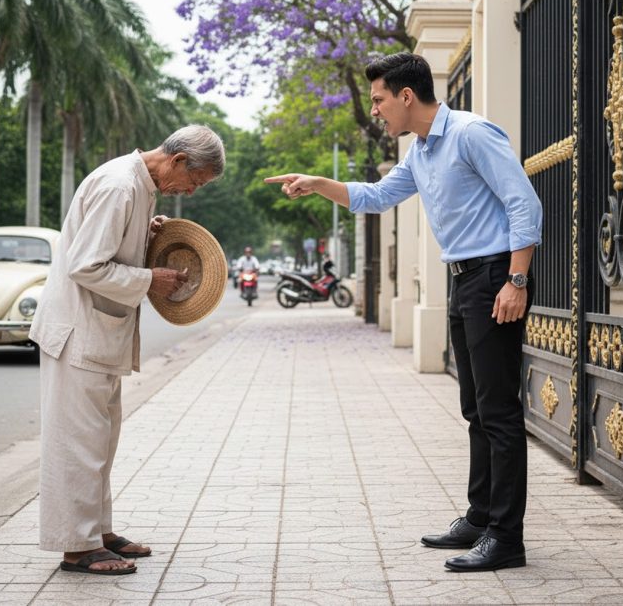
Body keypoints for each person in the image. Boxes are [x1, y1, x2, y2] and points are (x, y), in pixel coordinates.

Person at [265, 53, 542, 572]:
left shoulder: (470, 134)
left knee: (500, 414)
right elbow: (376, 195)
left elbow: (523, 202)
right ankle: (481, 517)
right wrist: (318, 182)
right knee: (476, 411)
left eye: (378, 99)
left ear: (406, 96)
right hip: (464, 280)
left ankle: (507, 538)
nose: (375, 110)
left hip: (495, 277)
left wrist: (517, 279)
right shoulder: (420, 152)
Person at [30, 125, 225, 575]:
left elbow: (112, 247)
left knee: (99, 440)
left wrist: (146, 234)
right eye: (194, 182)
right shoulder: (120, 186)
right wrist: (149, 279)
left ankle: (96, 531)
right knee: (78, 443)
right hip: (78, 333)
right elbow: (86, 264)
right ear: (177, 161)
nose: (191, 193)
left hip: (99, 334)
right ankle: (77, 547)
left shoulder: (141, 187)